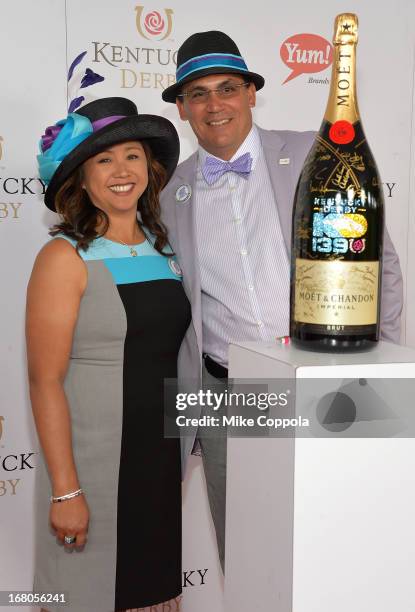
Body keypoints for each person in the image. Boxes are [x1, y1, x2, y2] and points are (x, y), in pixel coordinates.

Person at [160, 30, 404, 571]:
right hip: (228, 395)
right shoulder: (167, 194)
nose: (214, 105)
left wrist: (381, 360)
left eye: (227, 88)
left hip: (332, 379)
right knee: (248, 553)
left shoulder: (315, 154)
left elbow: (377, 265)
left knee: (349, 539)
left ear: (251, 94)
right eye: (198, 94)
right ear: (182, 108)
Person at [26, 97, 190, 612]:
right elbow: (45, 381)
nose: (122, 171)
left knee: (154, 596)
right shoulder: (64, 256)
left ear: (150, 167)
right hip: (93, 467)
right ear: (82, 177)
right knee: (88, 594)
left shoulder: (168, 250)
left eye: (133, 156)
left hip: (161, 463)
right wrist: (65, 490)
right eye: (104, 159)